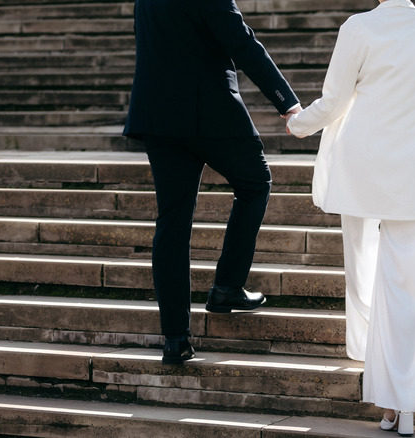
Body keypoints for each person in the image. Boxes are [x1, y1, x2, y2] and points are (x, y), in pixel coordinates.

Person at [285, 0, 415, 435]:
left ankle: (384, 389)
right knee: (412, 290)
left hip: (363, 171)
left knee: (365, 276)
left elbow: (335, 101)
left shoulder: (357, 26)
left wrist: (299, 124)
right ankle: (405, 401)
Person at [123, 0, 301, 365]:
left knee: (172, 223)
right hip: (210, 110)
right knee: (255, 183)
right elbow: (241, 42)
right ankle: (227, 287)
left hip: (157, 114)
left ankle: (176, 340)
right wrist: (288, 104)